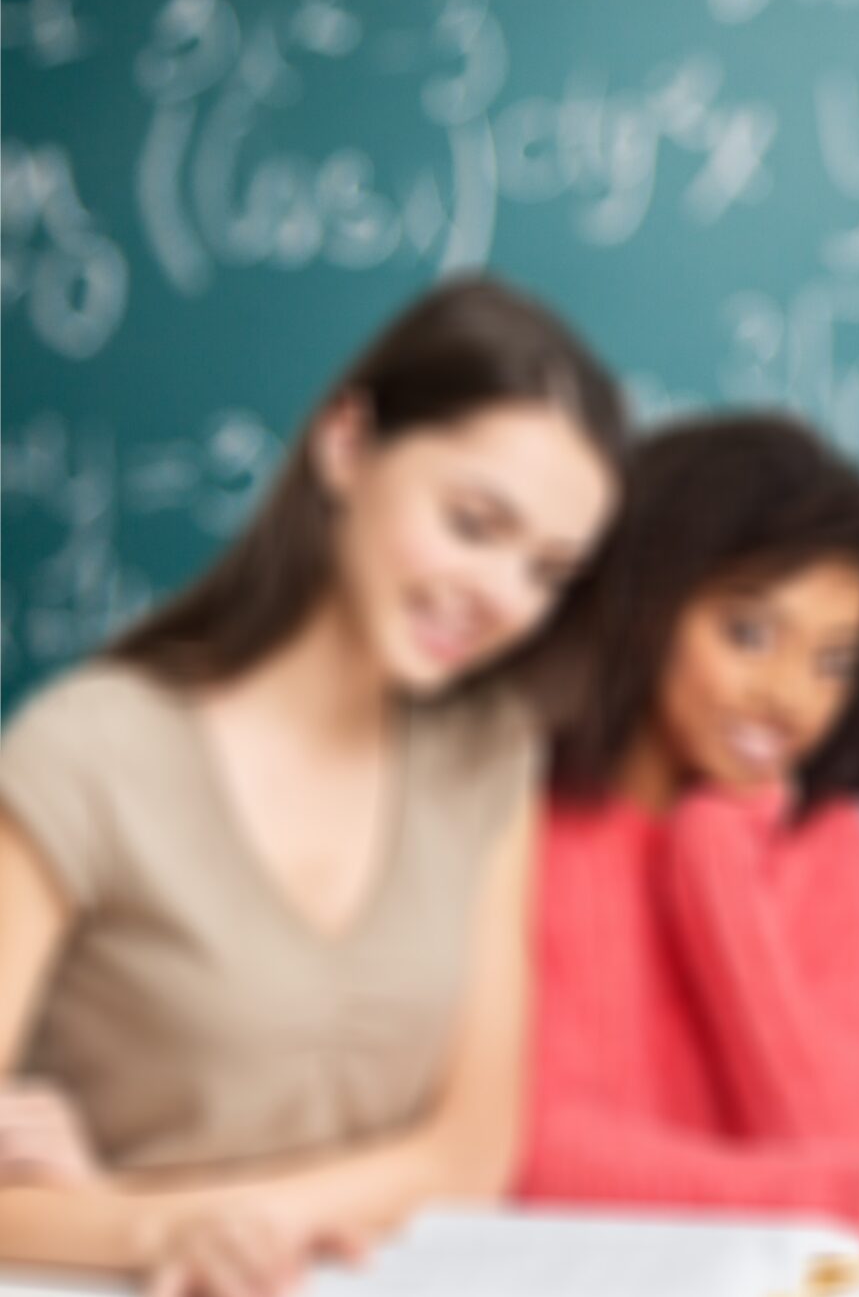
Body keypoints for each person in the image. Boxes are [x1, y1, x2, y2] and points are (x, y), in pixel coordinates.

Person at [0, 278, 627, 1296]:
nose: (504, 597)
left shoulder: (488, 754)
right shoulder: (87, 752)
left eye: (547, 571)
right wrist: (142, 1239)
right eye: (473, 524)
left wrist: (149, 1212)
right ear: (347, 446)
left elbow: (471, 1153)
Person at [515, 415, 859, 1263]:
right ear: (645, 602)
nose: (791, 699)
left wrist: (717, 860)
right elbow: (532, 1159)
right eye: (749, 634)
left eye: (833, 661)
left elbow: (829, 1134)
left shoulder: (824, 838)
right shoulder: (533, 825)